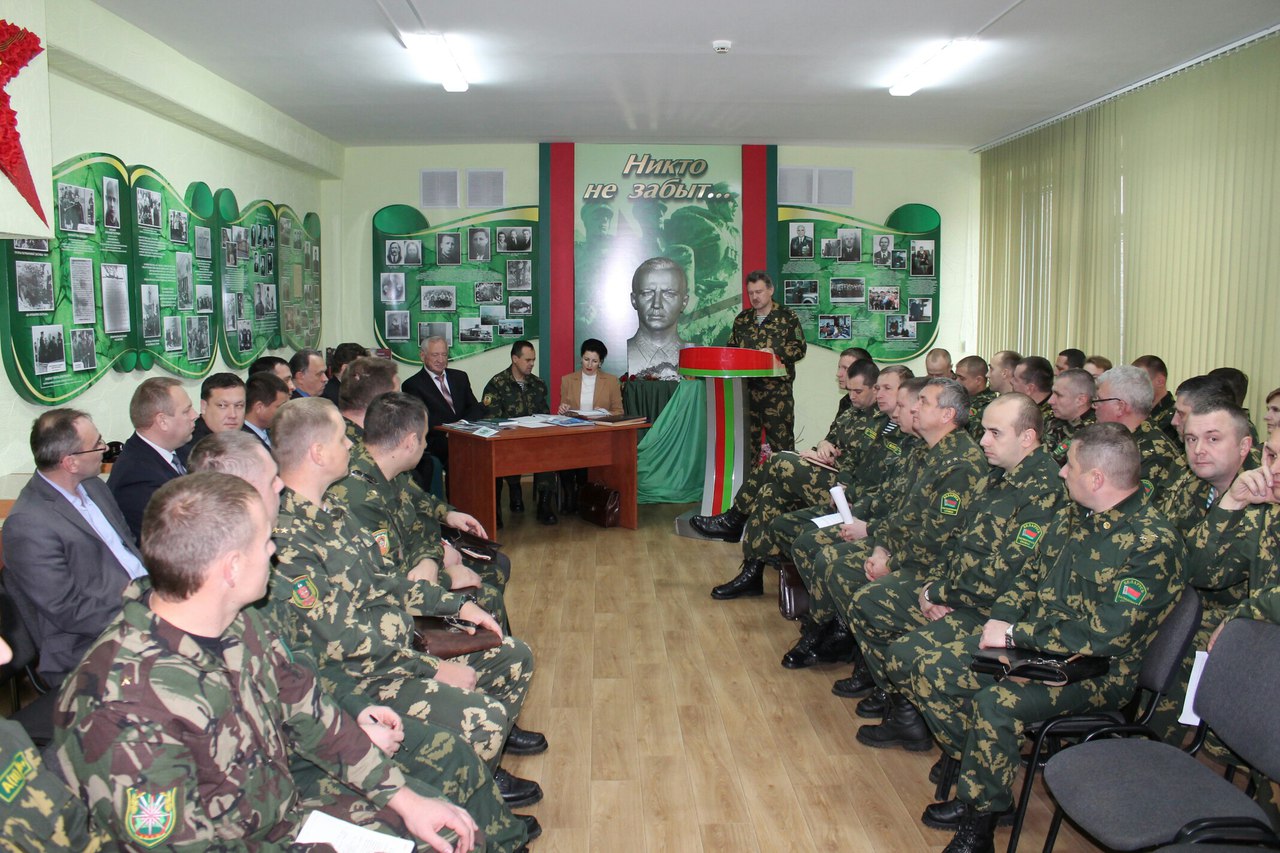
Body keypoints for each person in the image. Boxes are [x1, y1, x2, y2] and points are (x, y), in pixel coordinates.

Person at [53, 473, 482, 851]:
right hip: (236, 839)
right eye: (266, 543)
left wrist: (402, 799)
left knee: (449, 833)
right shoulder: (120, 707)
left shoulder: (238, 622)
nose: (275, 551)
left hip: (281, 809)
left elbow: (309, 711)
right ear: (231, 569)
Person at [187, 431, 536, 850]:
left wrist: (453, 606)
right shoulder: (269, 572)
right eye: (271, 479)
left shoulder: (249, 602)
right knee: (460, 770)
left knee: (486, 701)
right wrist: (425, 670)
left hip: (344, 704)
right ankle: (486, 822)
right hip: (301, 765)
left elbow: (300, 681)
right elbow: (332, 656)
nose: (281, 483)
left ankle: (494, 824)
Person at [906, 423, 1184, 853]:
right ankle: (986, 773)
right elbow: (1026, 577)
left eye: (1069, 465)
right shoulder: (1074, 514)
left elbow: (1106, 635)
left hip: (1097, 671)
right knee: (930, 668)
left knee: (996, 703)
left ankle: (982, 820)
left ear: (1096, 478)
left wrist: (1015, 632)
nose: (1060, 472)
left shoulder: (1151, 543)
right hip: (1035, 646)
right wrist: (1000, 621)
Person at [267, 398, 543, 811]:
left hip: (398, 648)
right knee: (483, 718)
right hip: (362, 679)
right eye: (342, 439)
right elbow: (343, 645)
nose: (352, 444)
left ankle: (480, 775)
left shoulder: (332, 510)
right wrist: (433, 668)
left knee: (515, 655)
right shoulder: (290, 542)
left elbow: (385, 581)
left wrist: (455, 607)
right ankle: (469, 796)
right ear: (318, 453)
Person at [849, 393, 1066, 743]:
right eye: (984, 431)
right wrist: (933, 586)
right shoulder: (998, 475)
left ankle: (965, 749)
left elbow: (1008, 572)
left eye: (995, 433)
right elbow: (956, 539)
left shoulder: (1045, 490)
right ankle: (908, 713)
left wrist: (941, 593)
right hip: (958, 591)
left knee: (906, 656)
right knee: (870, 603)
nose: (983, 441)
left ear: (1027, 437)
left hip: (993, 610)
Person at [701, 359, 883, 599]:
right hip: (829, 477)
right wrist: (823, 446)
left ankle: (735, 518)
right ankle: (752, 573)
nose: (852, 396)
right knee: (770, 492)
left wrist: (835, 464)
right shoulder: (851, 413)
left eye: (858, 391)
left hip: (845, 491)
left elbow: (866, 468)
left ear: (874, 388)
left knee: (780, 461)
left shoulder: (884, 422)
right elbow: (831, 440)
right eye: (850, 390)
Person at [3, 410, 147, 691]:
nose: (105, 448)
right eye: (98, 443)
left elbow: (129, 549)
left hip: (142, 606)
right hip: (89, 645)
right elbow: (69, 611)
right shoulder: (28, 524)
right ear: (70, 462)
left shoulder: (93, 487)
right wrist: (145, 616)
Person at [726, 270, 807, 459]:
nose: (755, 297)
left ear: (770, 290)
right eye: (751, 293)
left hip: (777, 394)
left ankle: (784, 478)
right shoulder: (742, 320)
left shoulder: (787, 317)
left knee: (783, 449)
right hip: (747, 393)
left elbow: (799, 349)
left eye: (759, 292)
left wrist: (775, 352)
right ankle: (750, 478)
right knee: (746, 449)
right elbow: (731, 351)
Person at [108, 377, 198, 542]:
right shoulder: (135, 478)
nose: (195, 415)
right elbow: (172, 538)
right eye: (186, 411)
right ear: (162, 421)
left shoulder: (183, 449)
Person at [482, 340, 558, 525]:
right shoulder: (497, 384)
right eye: (527, 360)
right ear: (515, 359)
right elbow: (492, 419)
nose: (531, 364)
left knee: (548, 451)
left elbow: (544, 414)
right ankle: (496, 509)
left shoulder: (538, 384)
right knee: (493, 457)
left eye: (533, 360)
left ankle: (544, 505)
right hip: (507, 441)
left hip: (533, 440)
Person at [1093, 364, 1188, 497]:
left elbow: (1131, 505)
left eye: (1099, 399)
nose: (1094, 405)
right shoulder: (1117, 438)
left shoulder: (1153, 454)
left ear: (1120, 407)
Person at [403, 336, 486, 475]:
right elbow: (421, 421)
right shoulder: (412, 385)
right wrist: (450, 430)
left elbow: (473, 408)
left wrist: (462, 424)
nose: (440, 360)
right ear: (423, 356)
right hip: (437, 440)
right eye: (435, 355)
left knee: (489, 451)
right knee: (462, 455)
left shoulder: (460, 377)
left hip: (464, 434)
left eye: (444, 355)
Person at [558, 338, 624, 511]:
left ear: (600, 362)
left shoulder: (611, 381)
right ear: (581, 358)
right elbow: (564, 410)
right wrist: (562, 409)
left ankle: (582, 494)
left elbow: (619, 412)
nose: (589, 364)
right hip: (574, 432)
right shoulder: (568, 380)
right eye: (586, 359)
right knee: (563, 453)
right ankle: (570, 494)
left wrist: (605, 413)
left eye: (594, 361)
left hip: (598, 434)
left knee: (586, 456)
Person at [625, 257, 692, 379]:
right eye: (647, 293)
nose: (657, 304)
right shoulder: (621, 352)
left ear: (684, 302)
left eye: (669, 294)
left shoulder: (694, 355)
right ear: (634, 300)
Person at [176, 372, 246, 465]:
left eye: (239, 406)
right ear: (204, 406)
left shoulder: (248, 439)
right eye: (222, 406)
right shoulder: (191, 449)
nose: (233, 415)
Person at [1042, 367, 1095, 464]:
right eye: (1052, 393)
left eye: (1059, 395)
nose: (1050, 401)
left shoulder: (1093, 435)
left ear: (1081, 400)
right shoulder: (1051, 419)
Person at [1133, 354, 1177, 441]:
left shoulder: (1174, 419)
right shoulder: (1136, 413)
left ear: (1160, 381)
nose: (1133, 387)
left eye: (1139, 381)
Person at [242, 370, 290, 448]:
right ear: (259, 407)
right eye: (281, 406)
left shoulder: (271, 433)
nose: (286, 411)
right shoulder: (244, 444)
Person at [955, 355, 996, 439]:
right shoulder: (959, 398)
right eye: (956, 377)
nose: (956, 381)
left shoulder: (989, 406)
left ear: (978, 380)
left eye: (962, 378)